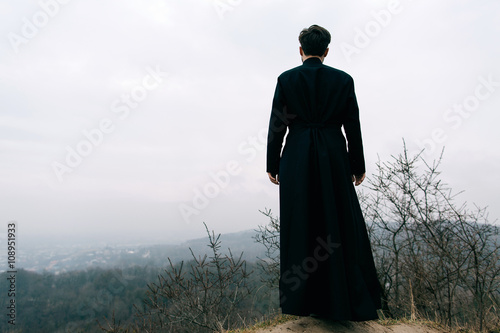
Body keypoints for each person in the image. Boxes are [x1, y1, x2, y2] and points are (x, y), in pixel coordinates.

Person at [266, 24, 381, 321]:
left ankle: (307, 302)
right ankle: (341, 300)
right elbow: (352, 126)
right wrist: (358, 166)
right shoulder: (343, 80)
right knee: (338, 223)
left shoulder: (286, 79)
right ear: (327, 51)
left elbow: (277, 126)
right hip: (333, 156)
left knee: (302, 222)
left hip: (297, 158)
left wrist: (272, 163)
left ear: (300, 50)